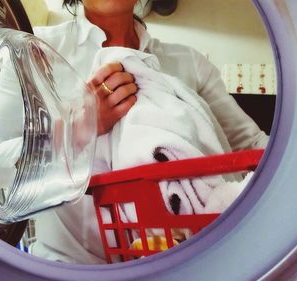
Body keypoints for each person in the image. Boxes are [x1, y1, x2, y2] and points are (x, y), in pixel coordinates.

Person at [28, 0, 269, 264]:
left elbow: (254, 145)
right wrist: (80, 126)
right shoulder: (35, 50)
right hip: (66, 268)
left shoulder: (190, 63)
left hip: (187, 264)